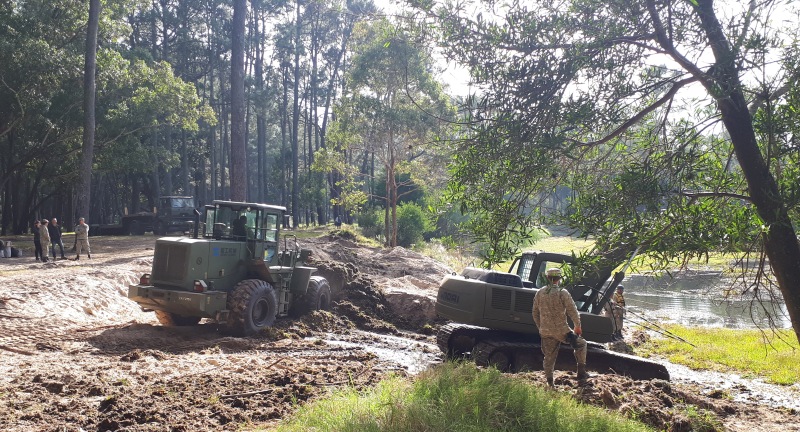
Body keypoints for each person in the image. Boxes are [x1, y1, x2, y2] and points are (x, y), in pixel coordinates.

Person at [532, 267, 588, 387]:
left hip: (545, 332)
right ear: (559, 278)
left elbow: (535, 313)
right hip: (562, 331)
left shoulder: (540, 292)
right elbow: (572, 310)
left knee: (549, 357)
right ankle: (581, 373)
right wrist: (577, 326)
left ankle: (550, 383)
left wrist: (541, 327)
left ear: (547, 278)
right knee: (582, 344)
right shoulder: (562, 292)